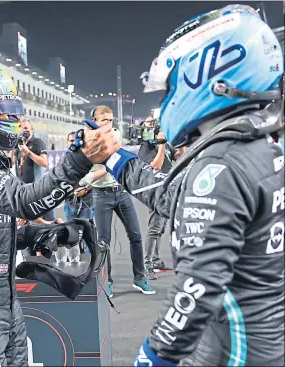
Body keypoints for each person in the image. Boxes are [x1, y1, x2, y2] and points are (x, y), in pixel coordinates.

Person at [91, 5, 284, 366]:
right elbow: (172, 196)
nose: (168, 100)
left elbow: (198, 287)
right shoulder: (256, 148)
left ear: (207, 75)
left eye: (173, 86)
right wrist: (114, 157)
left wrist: (152, 356)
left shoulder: (223, 163)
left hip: (232, 354)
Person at [0, 64, 119, 367]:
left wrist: (41, 234)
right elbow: (23, 202)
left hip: (3, 296)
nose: (13, 121)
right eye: (2, 112)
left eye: (12, 112)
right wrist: (80, 160)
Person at [86, 105, 155, 298]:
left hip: (122, 192)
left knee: (136, 236)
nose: (108, 123)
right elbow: (88, 177)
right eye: (103, 120)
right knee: (103, 241)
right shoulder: (88, 142)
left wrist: (116, 165)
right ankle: (106, 281)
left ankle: (140, 278)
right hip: (101, 195)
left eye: (110, 119)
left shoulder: (115, 134)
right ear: (94, 120)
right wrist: (111, 167)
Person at [138, 116, 173, 279]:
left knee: (161, 229)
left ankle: (156, 260)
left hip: (167, 189)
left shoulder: (165, 145)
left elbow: (178, 157)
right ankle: (147, 265)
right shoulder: (145, 148)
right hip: (155, 192)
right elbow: (155, 167)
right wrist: (161, 146)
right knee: (154, 229)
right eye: (148, 126)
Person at [54, 131, 95, 263]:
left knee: (87, 234)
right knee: (71, 234)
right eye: (70, 141)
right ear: (67, 143)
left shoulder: (87, 156)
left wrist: (86, 188)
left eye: (75, 140)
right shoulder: (64, 159)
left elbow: (95, 178)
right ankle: (76, 263)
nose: (73, 143)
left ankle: (90, 262)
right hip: (70, 201)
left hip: (87, 200)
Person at [9, 119, 56, 224]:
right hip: (24, 190)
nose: (23, 130)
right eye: (21, 128)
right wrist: (11, 147)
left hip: (39, 190)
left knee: (48, 222)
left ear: (32, 130)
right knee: (28, 223)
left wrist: (27, 151)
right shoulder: (17, 145)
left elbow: (44, 162)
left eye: (26, 128)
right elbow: (10, 163)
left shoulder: (38, 142)